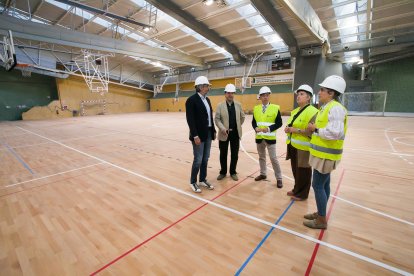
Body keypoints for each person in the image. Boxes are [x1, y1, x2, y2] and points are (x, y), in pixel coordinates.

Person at [304, 75, 348, 229]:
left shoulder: (335, 108)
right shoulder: (327, 107)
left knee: (317, 185)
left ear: (331, 93)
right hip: (323, 154)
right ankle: (321, 212)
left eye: (322, 90)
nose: (320, 92)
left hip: (326, 155)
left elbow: (335, 132)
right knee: (325, 184)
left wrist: (314, 129)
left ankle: (321, 219)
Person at [284, 85, 319, 201]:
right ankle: (296, 189)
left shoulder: (313, 112)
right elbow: (292, 125)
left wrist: (295, 130)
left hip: (304, 148)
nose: (298, 96)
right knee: (296, 170)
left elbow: (311, 132)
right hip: (293, 145)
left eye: (302, 94)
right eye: (298, 94)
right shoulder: (295, 111)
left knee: (303, 171)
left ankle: (302, 194)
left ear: (308, 98)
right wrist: (288, 129)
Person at [185, 76, 216, 193]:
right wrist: (195, 136)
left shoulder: (207, 100)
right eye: (207, 86)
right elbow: (190, 120)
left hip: (208, 133)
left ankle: (202, 179)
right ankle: (193, 182)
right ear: (200, 87)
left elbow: (210, 117)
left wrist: (213, 130)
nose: (208, 88)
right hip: (198, 135)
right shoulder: (191, 100)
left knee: (205, 158)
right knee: (198, 159)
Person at [252, 86, 283, 188]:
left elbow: (279, 123)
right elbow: (254, 122)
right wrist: (255, 127)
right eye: (263, 96)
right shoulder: (256, 109)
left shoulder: (275, 108)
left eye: (267, 95)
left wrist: (269, 129)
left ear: (269, 96)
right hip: (259, 137)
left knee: (273, 158)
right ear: (260, 97)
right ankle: (263, 173)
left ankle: (279, 178)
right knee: (261, 157)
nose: (265, 97)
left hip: (270, 138)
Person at [215, 83, 245, 181]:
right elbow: (217, 119)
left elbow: (242, 117)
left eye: (232, 93)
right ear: (225, 94)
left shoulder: (238, 105)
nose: (230, 95)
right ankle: (223, 172)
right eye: (228, 93)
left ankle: (233, 172)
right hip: (224, 133)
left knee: (235, 154)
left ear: (234, 94)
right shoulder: (220, 105)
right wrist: (223, 128)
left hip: (235, 134)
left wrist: (237, 126)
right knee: (223, 154)